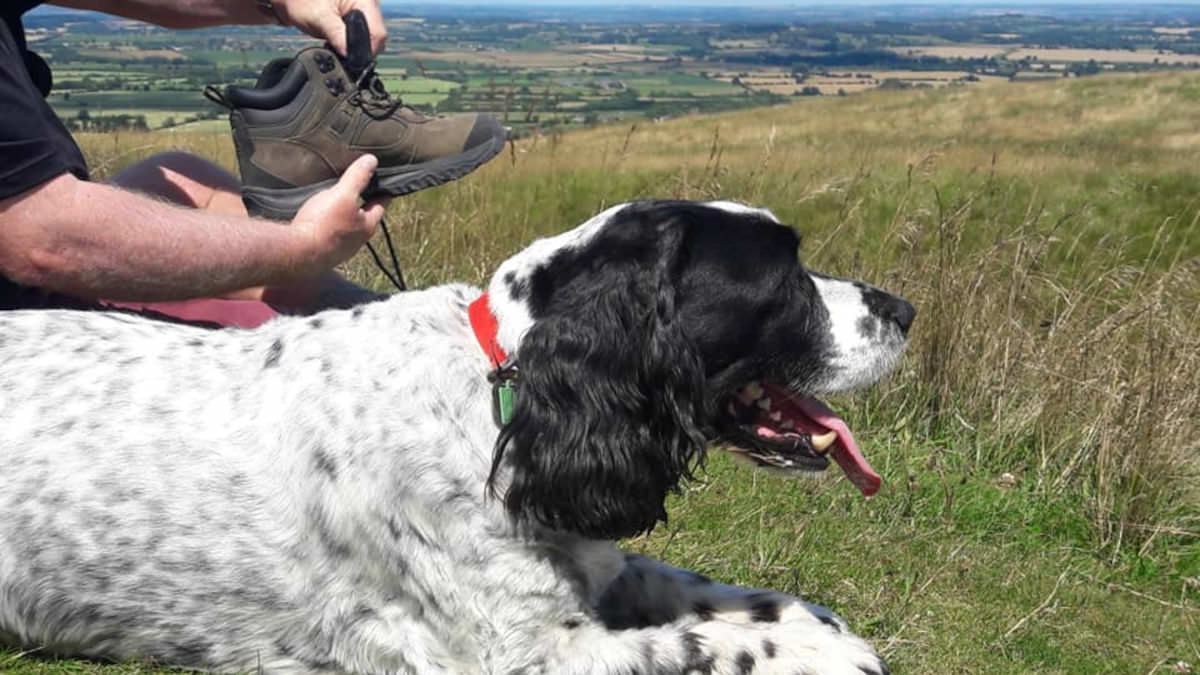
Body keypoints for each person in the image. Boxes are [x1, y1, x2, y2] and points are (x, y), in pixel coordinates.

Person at [0, 0, 463, 328]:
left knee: (190, 181)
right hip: (24, 317)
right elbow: (45, 238)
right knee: (275, 346)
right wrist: (301, 245)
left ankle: (377, 315)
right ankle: (372, 335)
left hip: (32, 258)